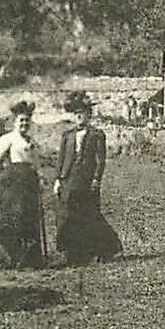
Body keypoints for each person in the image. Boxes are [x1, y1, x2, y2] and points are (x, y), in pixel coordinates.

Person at [53, 92, 121, 266]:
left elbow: (100, 160)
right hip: (68, 179)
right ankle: (72, 252)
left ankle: (106, 248)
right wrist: (58, 179)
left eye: (82, 113)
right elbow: (61, 159)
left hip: (86, 180)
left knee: (90, 214)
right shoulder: (67, 135)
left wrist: (96, 179)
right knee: (67, 215)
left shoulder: (97, 135)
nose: (78, 116)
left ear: (89, 115)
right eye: (76, 113)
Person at [0, 100, 46, 270]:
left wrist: (40, 180)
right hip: (11, 184)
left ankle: (28, 259)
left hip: (29, 184)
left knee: (28, 219)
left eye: (27, 120)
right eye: (21, 120)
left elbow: (36, 165)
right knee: (10, 218)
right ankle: (10, 256)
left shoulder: (32, 141)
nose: (24, 124)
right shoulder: (7, 138)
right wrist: (0, 182)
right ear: (14, 121)